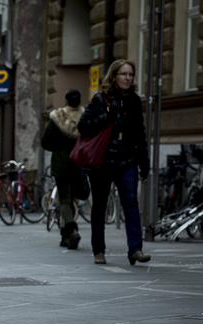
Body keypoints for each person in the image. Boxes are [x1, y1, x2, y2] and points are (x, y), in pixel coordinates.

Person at [78, 59, 151, 266]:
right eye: (123, 74)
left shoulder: (135, 101)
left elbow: (140, 133)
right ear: (114, 76)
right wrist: (106, 115)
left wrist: (144, 162)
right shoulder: (101, 99)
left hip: (127, 160)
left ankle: (135, 249)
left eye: (130, 75)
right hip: (103, 161)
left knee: (131, 202)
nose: (127, 78)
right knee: (100, 206)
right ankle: (99, 250)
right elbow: (84, 127)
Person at [41, 90, 85, 249]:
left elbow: (45, 141)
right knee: (73, 199)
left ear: (66, 100)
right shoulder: (85, 116)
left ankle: (71, 231)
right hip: (80, 162)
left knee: (64, 199)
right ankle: (65, 235)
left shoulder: (57, 117)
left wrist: (59, 148)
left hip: (62, 163)